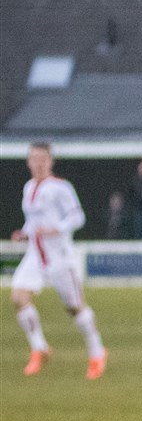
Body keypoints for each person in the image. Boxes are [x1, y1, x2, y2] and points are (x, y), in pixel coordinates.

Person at [11, 142, 108, 379]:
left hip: (60, 258)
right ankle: (39, 348)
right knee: (18, 297)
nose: (39, 162)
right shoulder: (28, 187)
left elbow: (78, 216)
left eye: (43, 158)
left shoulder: (61, 187)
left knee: (75, 308)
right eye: (35, 158)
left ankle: (97, 352)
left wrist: (57, 228)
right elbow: (33, 220)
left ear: (51, 161)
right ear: (28, 161)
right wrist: (24, 232)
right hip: (36, 254)